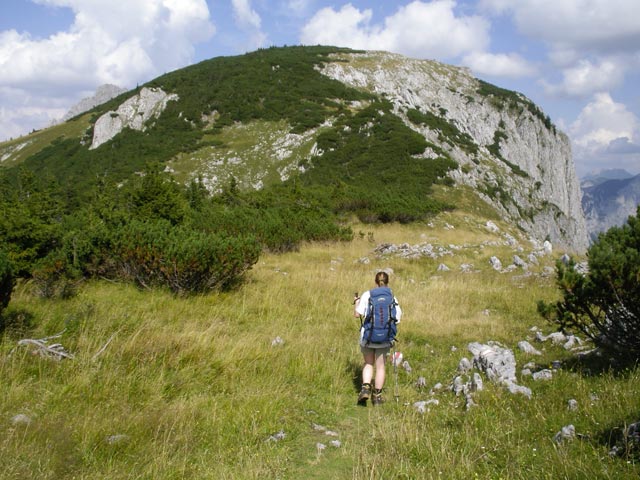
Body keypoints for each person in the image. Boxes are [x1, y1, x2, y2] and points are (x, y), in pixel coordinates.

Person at [353, 271, 402, 406]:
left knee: (368, 363)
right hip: (385, 337)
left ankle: (365, 388)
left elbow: (357, 315)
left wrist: (357, 303)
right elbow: (397, 318)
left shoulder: (367, 295)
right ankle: (377, 396)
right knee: (380, 367)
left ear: (375, 281)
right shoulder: (392, 297)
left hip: (368, 336)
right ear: (387, 282)